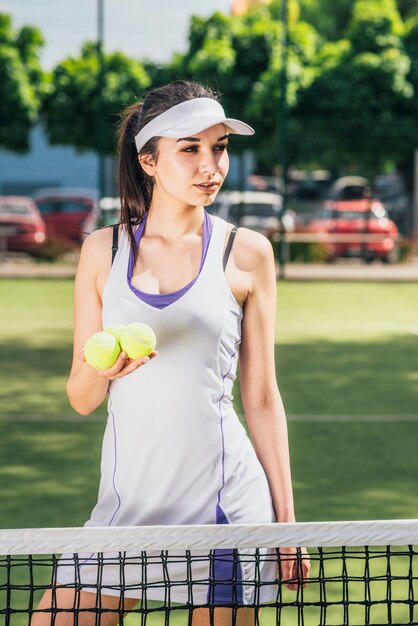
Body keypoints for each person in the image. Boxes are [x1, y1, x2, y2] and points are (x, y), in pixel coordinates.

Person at [32, 80, 310, 626]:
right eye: (190, 149)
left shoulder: (248, 254)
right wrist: (104, 368)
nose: (211, 165)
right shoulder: (101, 251)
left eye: (220, 148)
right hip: (125, 511)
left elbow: (261, 398)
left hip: (225, 511)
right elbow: (81, 397)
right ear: (149, 160)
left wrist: (287, 524)